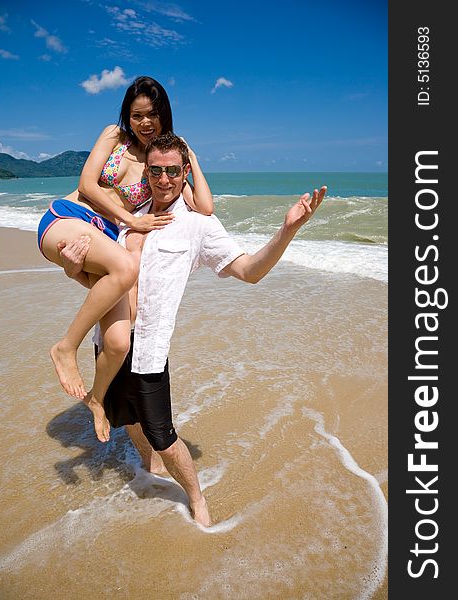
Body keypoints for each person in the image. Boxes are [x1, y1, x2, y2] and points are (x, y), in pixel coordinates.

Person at [62, 132, 326, 527]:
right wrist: (71, 266)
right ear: (146, 172)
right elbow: (97, 280)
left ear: (185, 171)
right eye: (156, 171)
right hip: (110, 340)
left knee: (164, 436)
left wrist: (288, 229)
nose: (164, 180)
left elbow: (249, 270)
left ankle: (196, 497)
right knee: (128, 419)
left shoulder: (198, 225)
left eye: (172, 171)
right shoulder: (128, 216)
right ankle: (146, 466)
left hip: (149, 351)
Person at [37, 76, 213, 443]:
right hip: (68, 219)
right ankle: (65, 347)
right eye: (136, 115)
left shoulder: (160, 162)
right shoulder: (113, 137)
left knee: (119, 343)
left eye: (152, 115)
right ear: (127, 117)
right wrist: (133, 219)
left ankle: (96, 399)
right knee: (126, 267)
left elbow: (203, 206)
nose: (145, 123)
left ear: (164, 115)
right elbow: (87, 184)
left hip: (103, 241)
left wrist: (192, 157)